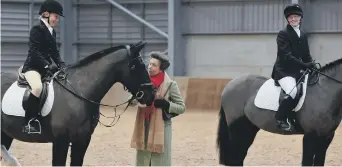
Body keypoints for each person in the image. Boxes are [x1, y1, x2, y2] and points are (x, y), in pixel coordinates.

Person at [129, 51, 186, 166]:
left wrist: (166, 104)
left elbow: (182, 107)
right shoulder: (142, 83)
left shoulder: (170, 85)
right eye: (149, 64)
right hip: (144, 126)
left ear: (161, 68)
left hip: (162, 130)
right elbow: (131, 103)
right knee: (143, 162)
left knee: (159, 162)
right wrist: (138, 97)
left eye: (154, 65)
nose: (149, 67)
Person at [21, 0, 66, 133]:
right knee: (37, 88)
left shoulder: (52, 31)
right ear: (46, 14)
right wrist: (47, 66)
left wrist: (61, 64)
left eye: (58, 18)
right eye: (56, 17)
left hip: (46, 69)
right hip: (33, 67)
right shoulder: (37, 29)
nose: (57, 20)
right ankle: (29, 121)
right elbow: (34, 52)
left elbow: (54, 52)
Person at [271, 3, 315, 132]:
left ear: (300, 18)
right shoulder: (283, 34)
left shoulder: (303, 34)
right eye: (290, 17)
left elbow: (306, 54)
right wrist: (304, 65)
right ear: (287, 19)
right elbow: (286, 56)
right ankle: (280, 118)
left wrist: (311, 64)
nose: (293, 19)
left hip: (298, 70)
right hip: (283, 71)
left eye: (296, 16)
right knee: (293, 91)